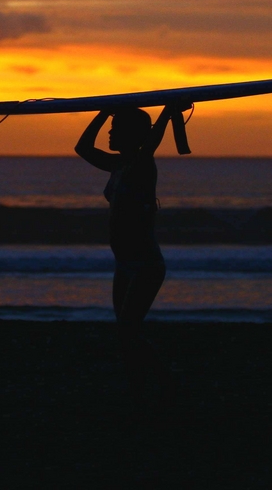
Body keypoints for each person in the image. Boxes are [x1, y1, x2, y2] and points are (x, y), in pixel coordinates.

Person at [75, 105, 181, 394]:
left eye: (115, 128)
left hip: (145, 263)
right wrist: (102, 113)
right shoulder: (118, 166)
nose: (110, 133)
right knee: (124, 332)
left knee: (127, 330)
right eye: (111, 128)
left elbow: (149, 144)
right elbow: (82, 147)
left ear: (132, 134)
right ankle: (140, 386)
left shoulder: (142, 163)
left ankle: (164, 383)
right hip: (124, 263)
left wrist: (167, 113)